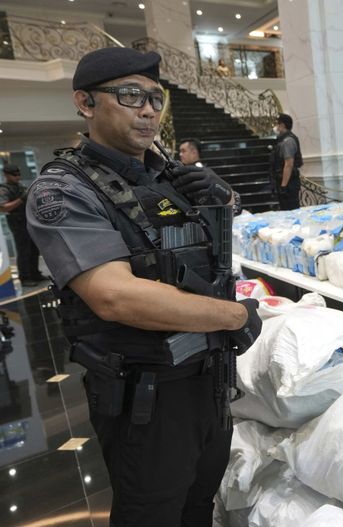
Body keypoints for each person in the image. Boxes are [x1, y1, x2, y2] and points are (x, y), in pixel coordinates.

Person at [25, 47, 263, 526]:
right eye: (131, 95)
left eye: (156, 98)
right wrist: (236, 315)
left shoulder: (166, 176)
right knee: (151, 513)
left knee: (200, 503)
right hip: (146, 395)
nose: (149, 109)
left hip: (209, 380)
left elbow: (201, 258)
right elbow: (115, 296)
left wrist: (223, 201)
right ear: (86, 103)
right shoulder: (64, 190)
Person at [0, 164, 46, 286]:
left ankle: (35, 273)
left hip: (28, 220)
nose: (18, 177)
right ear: (6, 175)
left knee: (34, 249)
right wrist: (21, 199)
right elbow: (3, 207)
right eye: (14, 175)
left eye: (19, 174)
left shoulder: (20, 187)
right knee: (24, 250)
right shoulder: (4, 189)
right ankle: (25, 278)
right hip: (17, 223)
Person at [272, 113, 303, 210]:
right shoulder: (283, 140)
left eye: (277, 124)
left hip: (289, 185)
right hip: (288, 183)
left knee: (290, 211)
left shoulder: (287, 141)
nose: (276, 127)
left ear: (282, 125)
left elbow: (288, 164)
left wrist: (283, 186)